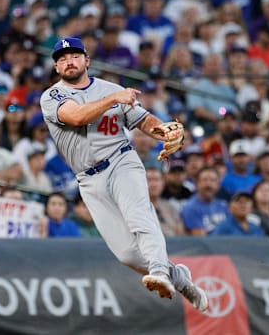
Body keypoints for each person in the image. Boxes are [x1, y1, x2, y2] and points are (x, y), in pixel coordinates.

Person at [40, 37, 207, 311]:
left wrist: (163, 130)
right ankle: (177, 275)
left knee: (139, 215)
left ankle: (160, 272)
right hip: (88, 178)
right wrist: (113, 98)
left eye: (74, 56)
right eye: (62, 58)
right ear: (57, 67)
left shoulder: (110, 88)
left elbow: (142, 120)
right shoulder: (53, 96)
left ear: (87, 61)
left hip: (121, 160)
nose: (68, 61)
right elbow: (78, 117)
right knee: (127, 253)